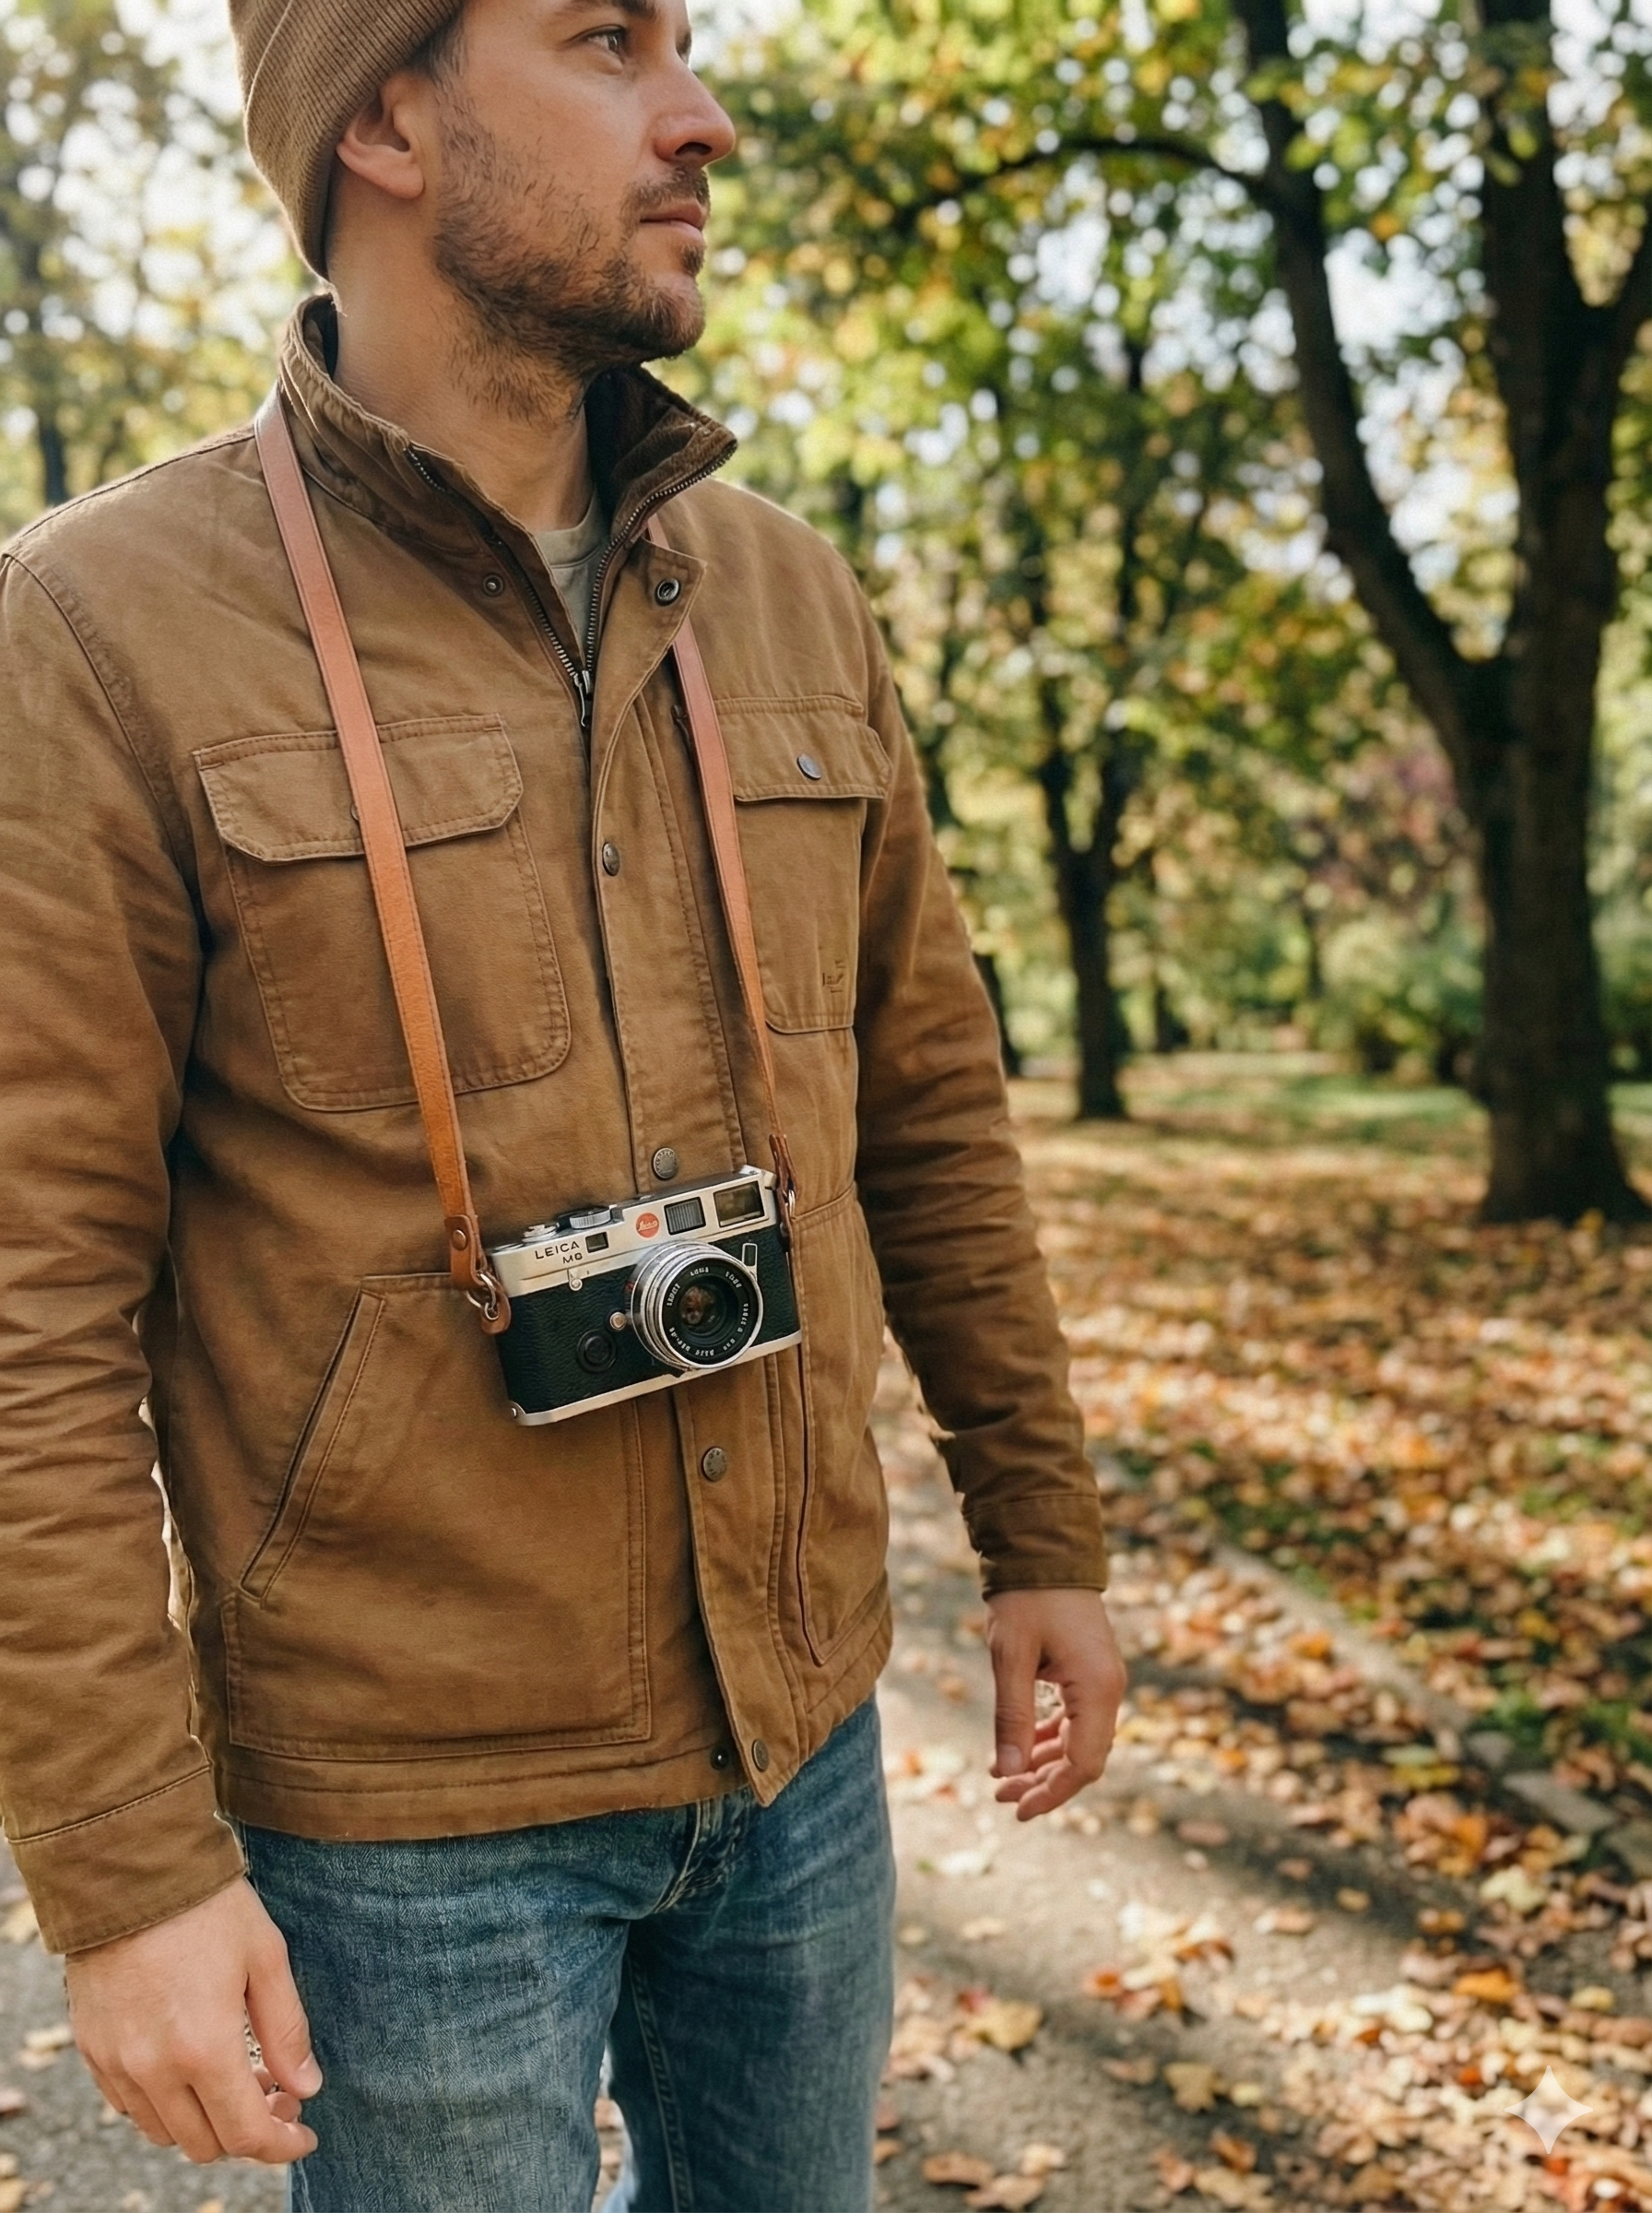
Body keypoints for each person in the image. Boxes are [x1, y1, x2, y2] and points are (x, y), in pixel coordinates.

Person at [0, 0, 1126, 2205]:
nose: (701, 115)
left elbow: (930, 1110)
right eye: (609, 43)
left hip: (797, 1746)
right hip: (401, 1817)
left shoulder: (789, 594)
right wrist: (125, 1864)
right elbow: (23, 1298)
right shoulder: (99, 634)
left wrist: (1040, 1528)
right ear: (388, 114)